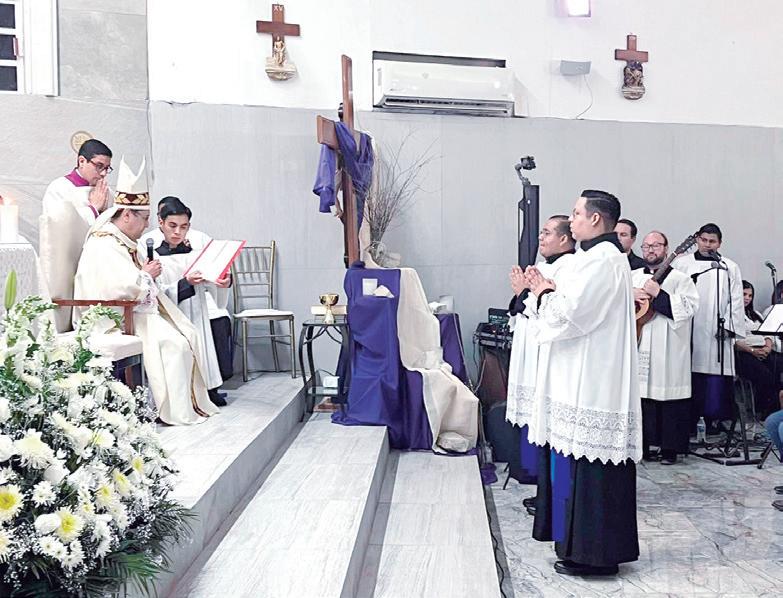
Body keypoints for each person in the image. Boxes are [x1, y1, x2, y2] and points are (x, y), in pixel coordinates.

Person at [524, 190, 640, 576]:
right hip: (584, 375)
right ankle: (579, 550)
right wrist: (544, 290)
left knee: (593, 472)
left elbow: (572, 315)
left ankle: (597, 557)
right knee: (579, 469)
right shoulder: (593, 258)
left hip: (595, 380)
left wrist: (544, 291)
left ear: (595, 219)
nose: (571, 220)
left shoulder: (604, 260)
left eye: (576, 214)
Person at [74, 158, 219, 425]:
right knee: (175, 344)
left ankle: (187, 405)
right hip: (113, 318)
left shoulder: (126, 241)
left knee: (188, 333)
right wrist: (146, 275)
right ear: (127, 215)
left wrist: (148, 277)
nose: (146, 225)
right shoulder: (103, 244)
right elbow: (116, 288)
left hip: (134, 310)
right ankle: (166, 409)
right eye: (144, 218)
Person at [505, 215, 576, 504]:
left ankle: (550, 492)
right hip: (529, 346)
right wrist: (521, 293)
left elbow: (552, 312)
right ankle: (537, 482)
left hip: (547, 351)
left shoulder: (570, 268)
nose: (541, 238)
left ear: (564, 238)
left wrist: (525, 292)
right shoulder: (543, 267)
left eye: (547, 233)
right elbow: (522, 308)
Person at [139, 197, 231, 407]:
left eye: (184, 227)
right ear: (161, 222)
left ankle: (207, 390)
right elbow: (155, 293)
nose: (177, 232)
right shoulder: (150, 253)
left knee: (202, 349)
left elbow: (212, 282)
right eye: (172, 226)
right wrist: (185, 283)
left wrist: (222, 281)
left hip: (197, 311)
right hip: (170, 315)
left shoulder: (195, 252)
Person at [632, 231, 699, 464]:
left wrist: (659, 295)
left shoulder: (681, 279)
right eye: (646, 246)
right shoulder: (632, 276)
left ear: (667, 248)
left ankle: (670, 449)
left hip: (669, 347)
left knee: (669, 396)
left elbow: (688, 309)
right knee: (642, 397)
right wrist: (632, 294)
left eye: (656, 245)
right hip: (640, 342)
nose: (650, 250)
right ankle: (643, 448)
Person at [673, 223, 745, 426]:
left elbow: (736, 300)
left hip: (716, 331)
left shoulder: (728, 267)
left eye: (712, 241)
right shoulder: (682, 264)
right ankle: (688, 421)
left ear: (719, 243)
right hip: (688, 328)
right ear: (697, 240)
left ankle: (715, 420)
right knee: (688, 372)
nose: (707, 245)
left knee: (714, 373)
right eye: (703, 240)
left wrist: (729, 327)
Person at [42, 139, 113, 225]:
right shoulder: (59, 188)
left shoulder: (106, 191)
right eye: (99, 166)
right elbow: (58, 224)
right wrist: (93, 209)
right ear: (82, 161)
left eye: (107, 168)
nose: (104, 173)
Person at [735, 281, 779, 418]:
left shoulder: (756, 314)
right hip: (745, 353)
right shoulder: (732, 315)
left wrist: (768, 347)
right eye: (744, 294)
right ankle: (767, 409)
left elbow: (768, 333)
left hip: (764, 350)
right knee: (766, 375)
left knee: (777, 366)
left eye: (750, 295)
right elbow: (734, 341)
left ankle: (776, 407)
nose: (747, 298)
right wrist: (753, 351)